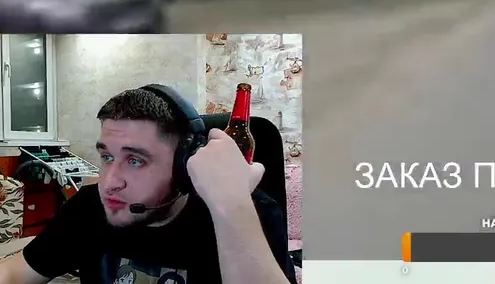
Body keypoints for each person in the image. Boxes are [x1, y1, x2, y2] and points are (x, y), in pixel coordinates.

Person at [0, 86, 297, 284]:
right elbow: (15, 273)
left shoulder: (247, 212)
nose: (109, 182)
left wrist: (231, 207)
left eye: (135, 160)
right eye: (107, 157)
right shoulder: (89, 206)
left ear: (184, 165)